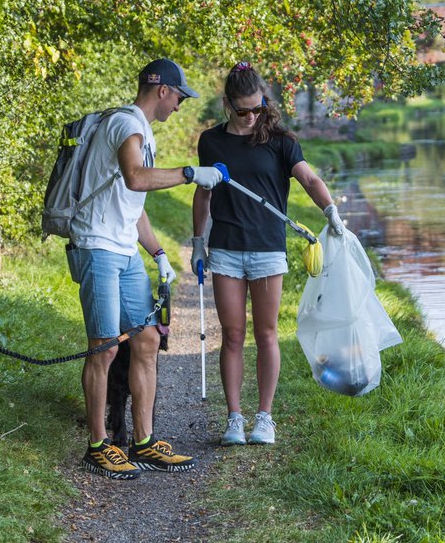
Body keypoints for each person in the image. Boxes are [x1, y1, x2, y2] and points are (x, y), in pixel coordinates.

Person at [67, 58, 223, 479]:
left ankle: (143, 441)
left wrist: (158, 254)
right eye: (179, 97)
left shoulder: (142, 131)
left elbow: (132, 206)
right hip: (96, 247)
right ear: (162, 91)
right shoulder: (126, 125)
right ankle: (98, 446)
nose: (180, 106)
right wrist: (191, 173)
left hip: (123, 250)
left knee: (149, 338)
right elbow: (136, 178)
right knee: (104, 346)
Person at [191, 62, 345, 446]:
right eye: (242, 110)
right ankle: (233, 419)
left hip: (267, 250)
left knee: (266, 334)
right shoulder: (211, 141)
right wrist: (197, 242)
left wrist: (331, 211)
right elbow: (204, 193)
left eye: (256, 108)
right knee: (231, 334)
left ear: (264, 102)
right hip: (226, 248)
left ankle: (264, 418)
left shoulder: (280, 140)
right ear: (227, 104)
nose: (250, 117)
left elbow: (309, 178)